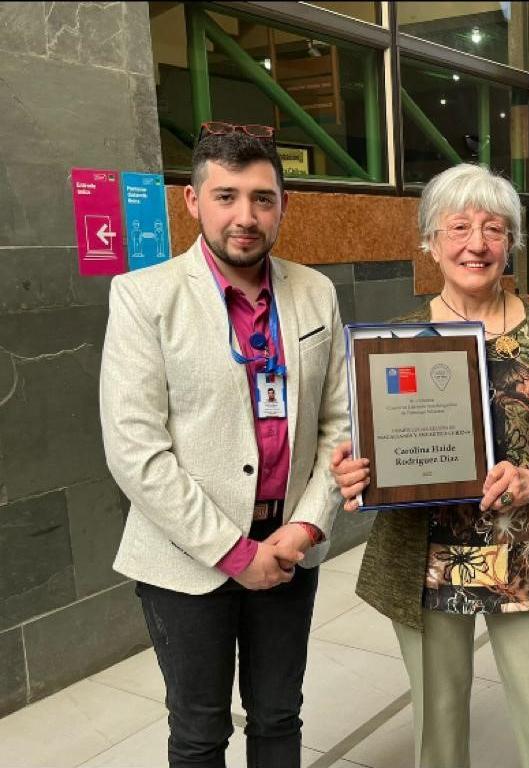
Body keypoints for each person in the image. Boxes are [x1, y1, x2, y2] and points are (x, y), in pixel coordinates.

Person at [331, 163, 529, 768]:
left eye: (494, 228)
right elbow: (365, 454)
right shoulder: (393, 344)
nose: (477, 243)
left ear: (511, 243)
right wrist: (358, 476)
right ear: (430, 243)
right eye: (458, 226)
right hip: (427, 565)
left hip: (528, 558)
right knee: (437, 734)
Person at [99, 122, 348, 768]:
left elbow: (340, 425)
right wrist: (235, 553)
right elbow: (135, 451)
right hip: (186, 562)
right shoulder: (143, 299)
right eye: (227, 196)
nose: (246, 216)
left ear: (283, 206)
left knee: (278, 717)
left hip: (289, 549)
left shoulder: (315, 293)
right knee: (200, 731)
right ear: (193, 201)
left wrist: (306, 526)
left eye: (263, 198)